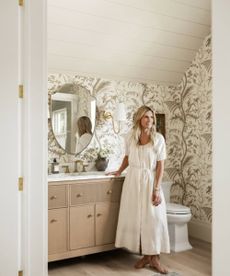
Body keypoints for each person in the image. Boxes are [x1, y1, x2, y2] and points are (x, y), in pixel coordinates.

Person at [109, 105, 170, 274]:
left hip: (150, 180)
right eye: (146, 117)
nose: (149, 120)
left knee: (153, 219)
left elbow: (160, 166)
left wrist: (157, 188)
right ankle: (146, 255)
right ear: (139, 119)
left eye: (151, 117)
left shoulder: (158, 139)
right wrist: (119, 170)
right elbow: (127, 158)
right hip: (133, 181)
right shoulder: (130, 137)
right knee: (137, 218)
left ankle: (155, 258)